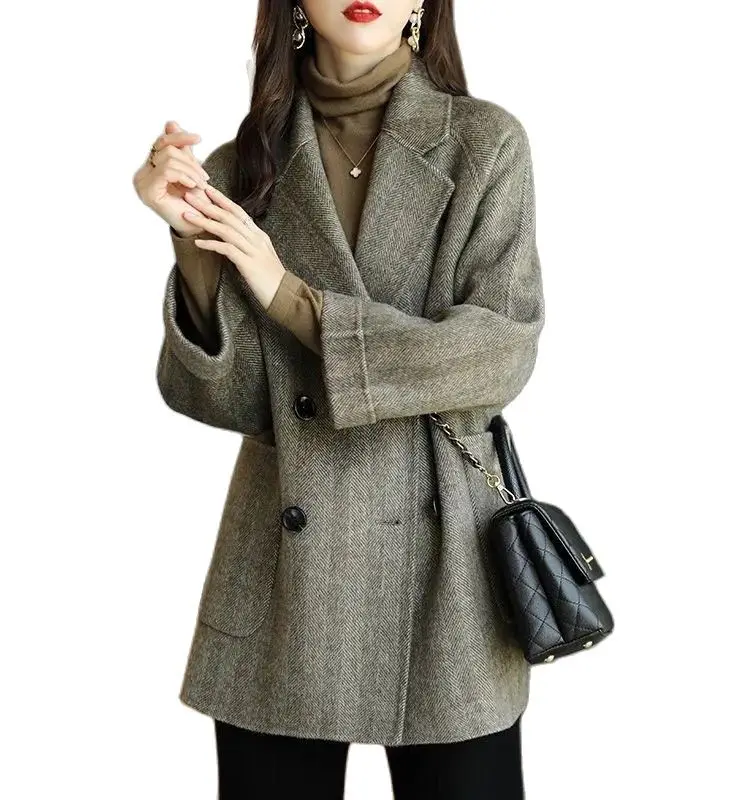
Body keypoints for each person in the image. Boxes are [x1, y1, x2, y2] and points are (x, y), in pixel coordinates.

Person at [132, 1, 545, 797]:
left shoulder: (484, 143)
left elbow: (497, 355)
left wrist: (291, 296)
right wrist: (192, 244)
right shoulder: (238, 168)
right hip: (284, 580)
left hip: (447, 583)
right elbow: (223, 403)